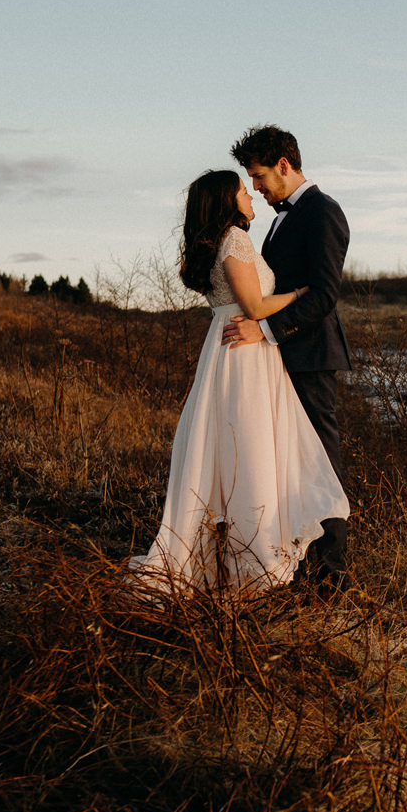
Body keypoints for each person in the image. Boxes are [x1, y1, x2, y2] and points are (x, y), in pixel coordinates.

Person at [126, 168, 349, 592]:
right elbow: (255, 304)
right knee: (252, 450)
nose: (252, 193)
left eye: (255, 182)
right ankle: (259, 559)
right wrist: (301, 293)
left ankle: (243, 556)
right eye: (244, 188)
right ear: (227, 201)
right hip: (245, 350)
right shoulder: (235, 238)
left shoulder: (225, 239)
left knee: (236, 449)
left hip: (234, 348)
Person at [221, 125, 352, 588]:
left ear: (283, 165)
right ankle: (291, 564)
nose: (254, 186)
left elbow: (323, 297)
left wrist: (266, 330)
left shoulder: (323, 212)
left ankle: (330, 577)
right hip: (279, 359)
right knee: (285, 463)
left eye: (257, 176)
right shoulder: (280, 218)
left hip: (309, 355)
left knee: (319, 463)